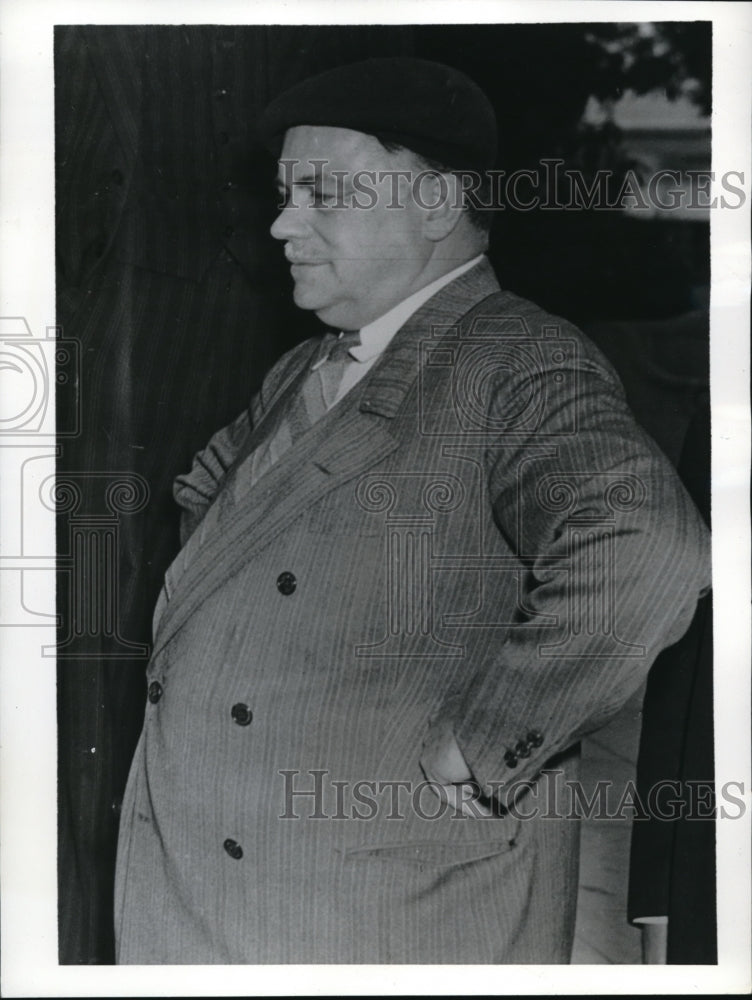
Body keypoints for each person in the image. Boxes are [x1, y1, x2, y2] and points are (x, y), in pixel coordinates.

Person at [114, 57, 710, 964]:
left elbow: (647, 545)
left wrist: (489, 740)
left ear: (436, 205)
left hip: (377, 914)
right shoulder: (309, 366)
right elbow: (218, 500)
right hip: (218, 896)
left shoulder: (519, 359)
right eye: (284, 193)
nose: (282, 223)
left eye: (323, 194)